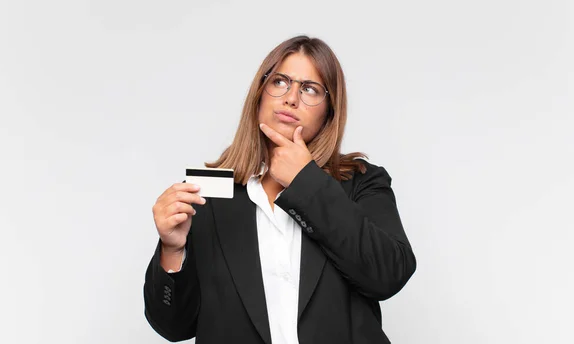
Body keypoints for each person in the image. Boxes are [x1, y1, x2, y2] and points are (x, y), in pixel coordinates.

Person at [143, 35, 417, 344]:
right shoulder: (209, 195)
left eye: (310, 89)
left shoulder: (362, 182)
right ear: (260, 94)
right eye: (280, 82)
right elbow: (174, 327)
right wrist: (173, 250)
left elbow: (389, 275)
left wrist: (306, 182)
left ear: (329, 111)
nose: (291, 98)